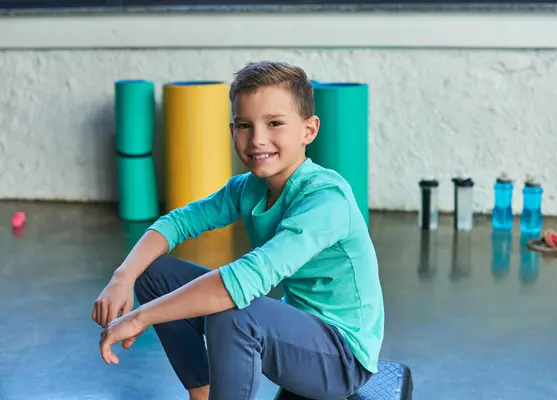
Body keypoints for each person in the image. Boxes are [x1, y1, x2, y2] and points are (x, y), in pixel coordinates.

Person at [92, 60, 385, 400]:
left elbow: (245, 280)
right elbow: (176, 222)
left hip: (342, 360)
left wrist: (141, 317)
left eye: (275, 123)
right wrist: (122, 277)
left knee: (233, 314)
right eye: (245, 126)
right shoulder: (247, 188)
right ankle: (201, 393)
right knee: (152, 272)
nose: (258, 139)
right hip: (296, 334)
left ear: (309, 130)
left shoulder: (325, 199)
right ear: (233, 132)